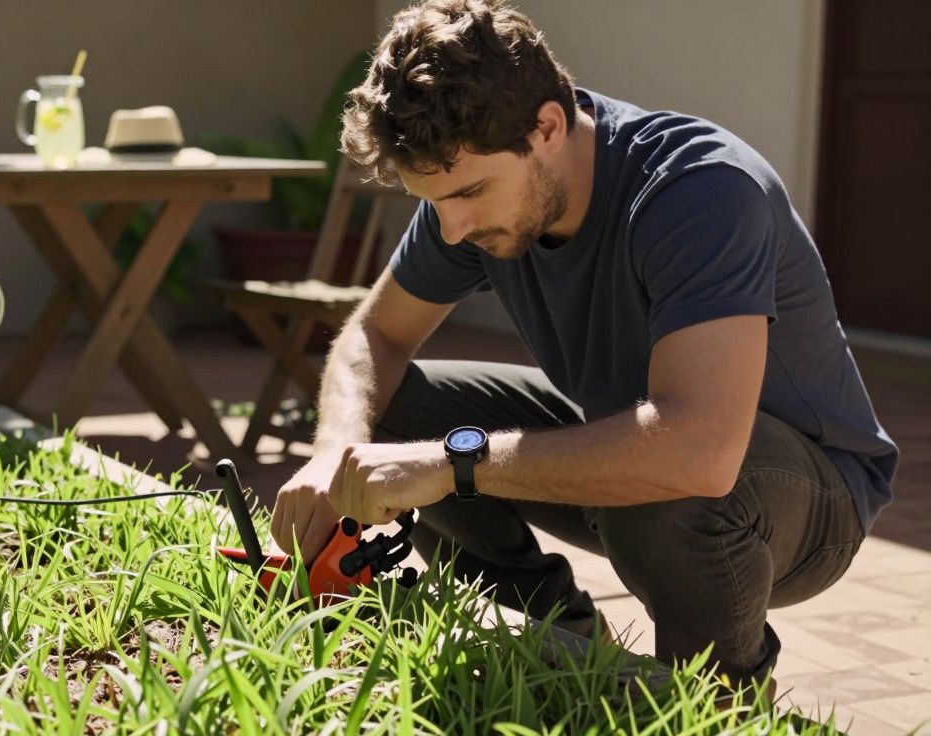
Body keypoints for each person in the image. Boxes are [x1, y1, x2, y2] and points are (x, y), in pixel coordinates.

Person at [270, 0, 898, 693]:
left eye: (471, 194)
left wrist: (454, 465)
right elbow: (374, 333)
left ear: (547, 126)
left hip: (800, 497)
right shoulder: (472, 196)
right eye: (436, 202)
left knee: (669, 487)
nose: (452, 231)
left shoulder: (699, 191)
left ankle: (721, 700)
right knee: (392, 414)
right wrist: (336, 454)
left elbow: (699, 452)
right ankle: (560, 646)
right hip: (633, 442)